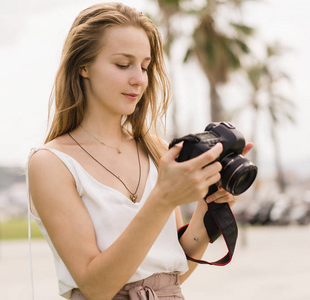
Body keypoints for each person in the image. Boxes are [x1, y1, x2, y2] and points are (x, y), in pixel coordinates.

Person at [26, 2, 253, 299]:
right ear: (82, 66)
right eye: (123, 64)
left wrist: (207, 209)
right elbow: (96, 287)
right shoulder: (51, 163)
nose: (139, 78)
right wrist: (163, 197)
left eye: (145, 66)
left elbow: (172, 272)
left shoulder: (156, 149)